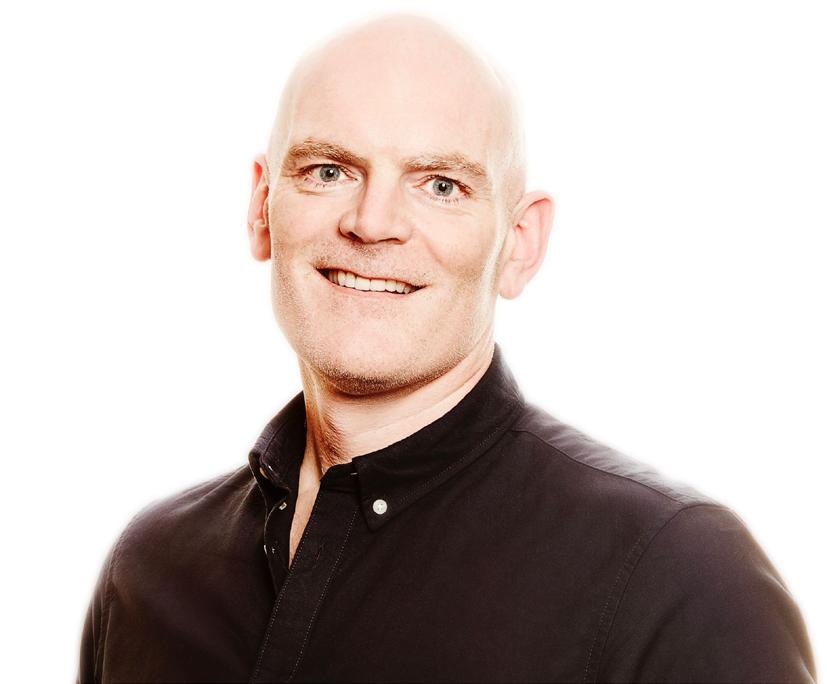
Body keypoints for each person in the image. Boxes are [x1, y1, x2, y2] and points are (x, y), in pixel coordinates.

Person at [77, 12, 816, 684]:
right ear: (261, 207)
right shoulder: (149, 573)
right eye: (329, 171)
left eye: (440, 185)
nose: (372, 223)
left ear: (519, 245)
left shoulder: (678, 579)